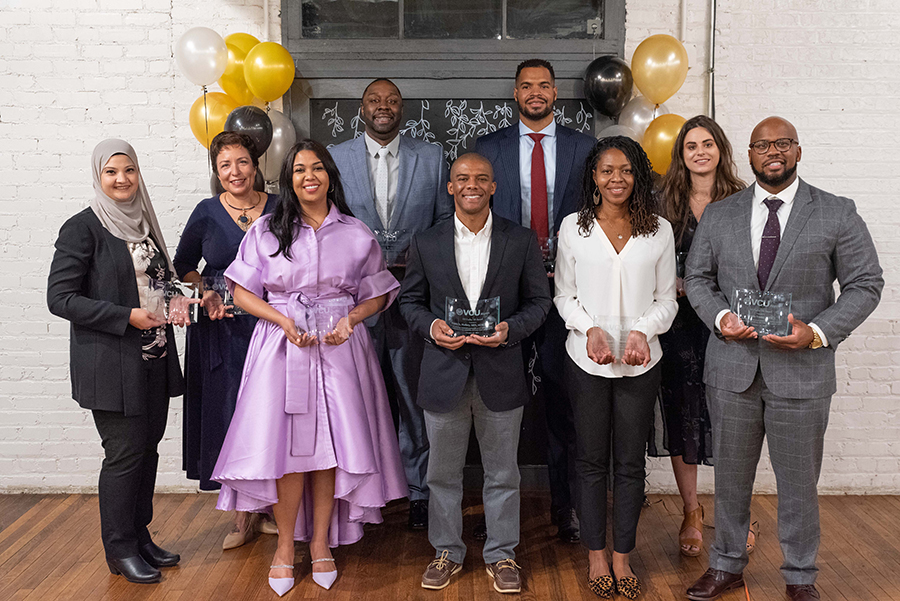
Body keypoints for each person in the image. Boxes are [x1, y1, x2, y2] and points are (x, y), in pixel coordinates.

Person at [684, 117, 883, 601]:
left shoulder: (836, 212)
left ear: (798, 150)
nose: (772, 151)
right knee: (730, 478)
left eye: (782, 143)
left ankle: (799, 576)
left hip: (802, 371)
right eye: (762, 145)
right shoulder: (722, 214)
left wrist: (816, 332)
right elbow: (697, 279)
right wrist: (721, 318)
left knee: (798, 483)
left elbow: (866, 283)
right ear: (749, 155)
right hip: (732, 369)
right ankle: (727, 565)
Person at [210, 139, 407, 597]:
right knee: (289, 451)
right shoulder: (264, 231)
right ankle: (283, 546)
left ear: (330, 176)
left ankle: (321, 543)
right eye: (299, 170)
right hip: (282, 348)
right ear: (288, 179)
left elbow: (378, 292)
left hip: (340, 348)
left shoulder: (357, 233)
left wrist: (352, 318)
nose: (308, 176)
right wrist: (283, 321)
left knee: (330, 451)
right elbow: (240, 291)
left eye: (317, 168)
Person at [399, 153, 551, 594]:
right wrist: (431, 327)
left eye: (480, 178)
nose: (471, 185)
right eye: (462, 178)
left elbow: (539, 304)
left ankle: (502, 555)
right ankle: (446, 551)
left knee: (503, 474)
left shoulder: (520, 240)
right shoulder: (426, 242)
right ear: (450, 187)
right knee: (442, 475)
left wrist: (508, 331)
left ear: (493, 187)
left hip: (500, 373)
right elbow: (409, 303)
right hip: (443, 373)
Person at [47, 139, 188, 584]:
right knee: (124, 456)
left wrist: (179, 301)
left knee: (147, 452)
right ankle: (120, 549)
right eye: (112, 172)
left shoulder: (144, 224)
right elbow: (60, 298)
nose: (122, 179)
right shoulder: (82, 228)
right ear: (98, 177)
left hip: (154, 359)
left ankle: (140, 535)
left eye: (129, 170)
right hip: (112, 364)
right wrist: (125, 316)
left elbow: (160, 283)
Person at [475, 58, 595, 543]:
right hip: (505, 293)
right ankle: (494, 512)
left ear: (556, 92)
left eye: (544, 85)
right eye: (527, 86)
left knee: (564, 404)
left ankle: (566, 507)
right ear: (516, 92)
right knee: (494, 405)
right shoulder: (489, 148)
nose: (536, 93)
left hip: (568, 292)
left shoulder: (586, 149)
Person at [554, 136, 677, 599]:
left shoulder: (658, 230)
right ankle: (595, 555)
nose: (616, 179)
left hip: (642, 365)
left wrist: (644, 330)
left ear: (638, 175)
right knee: (589, 462)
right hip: (585, 361)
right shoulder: (573, 228)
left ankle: (623, 556)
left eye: (625, 170)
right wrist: (589, 330)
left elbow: (667, 299)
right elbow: (563, 294)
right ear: (594, 176)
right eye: (607, 170)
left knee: (629, 464)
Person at [330, 78, 453, 530]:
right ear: (361, 108)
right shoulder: (336, 158)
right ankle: (363, 494)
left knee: (412, 397)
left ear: (403, 108)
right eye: (374, 100)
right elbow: (329, 219)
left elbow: (443, 221)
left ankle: (419, 491)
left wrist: (419, 258)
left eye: (392, 101)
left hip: (413, 296)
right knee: (354, 400)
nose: (383, 107)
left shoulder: (433, 157)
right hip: (352, 301)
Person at [173, 131, 278, 549]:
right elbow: (183, 266)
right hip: (221, 326)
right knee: (230, 412)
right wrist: (204, 290)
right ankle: (242, 516)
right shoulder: (205, 212)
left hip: (271, 324)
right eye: (225, 165)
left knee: (271, 414)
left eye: (242, 162)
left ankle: (272, 507)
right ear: (217, 172)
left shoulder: (281, 207)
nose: (235, 172)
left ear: (255, 165)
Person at [652, 115, 750, 557]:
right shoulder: (661, 200)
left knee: (732, 421)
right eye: (691, 146)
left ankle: (734, 516)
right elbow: (646, 258)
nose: (700, 152)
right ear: (681, 154)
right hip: (677, 326)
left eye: (707, 144)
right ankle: (691, 511)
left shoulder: (744, 199)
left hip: (728, 324)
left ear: (720, 150)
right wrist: (667, 283)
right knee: (683, 414)